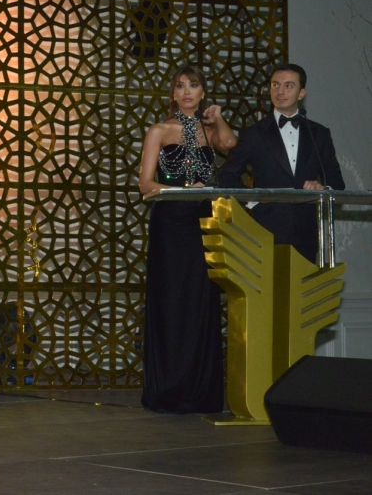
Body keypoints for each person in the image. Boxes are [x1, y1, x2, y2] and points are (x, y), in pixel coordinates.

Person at [138, 65, 237, 414]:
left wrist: (217, 117)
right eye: (180, 86)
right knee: (172, 299)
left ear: (203, 93)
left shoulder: (209, 131)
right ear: (172, 94)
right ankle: (169, 388)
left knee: (200, 300)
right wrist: (182, 189)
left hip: (203, 219)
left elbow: (230, 144)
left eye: (193, 85)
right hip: (170, 222)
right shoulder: (160, 130)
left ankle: (200, 391)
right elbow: (145, 184)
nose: (186, 92)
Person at [217, 63, 345, 263]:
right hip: (264, 228)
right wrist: (253, 201)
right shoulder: (253, 134)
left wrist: (322, 188)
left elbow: (336, 182)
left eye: (288, 86)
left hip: (306, 231)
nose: (280, 91)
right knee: (268, 283)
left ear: (302, 93)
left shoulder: (319, 134)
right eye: (275, 85)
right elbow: (226, 176)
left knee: (303, 283)